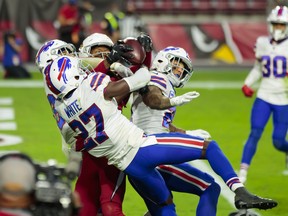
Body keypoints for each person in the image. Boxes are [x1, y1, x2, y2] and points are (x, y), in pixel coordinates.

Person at [45, 54, 277, 215]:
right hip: (142, 149)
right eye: (78, 71)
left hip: (129, 166)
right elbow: (142, 78)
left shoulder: (63, 109)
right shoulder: (95, 85)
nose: (84, 72)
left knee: (166, 207)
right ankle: (240, 191)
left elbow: (72, 138)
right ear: (71, 77)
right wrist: (125, 66)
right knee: (210, 147)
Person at [35, 38, 135, 216]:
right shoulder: (63, 72)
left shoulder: (54, 82)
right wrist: (110, 61)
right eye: (65, 52)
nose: (70, 56)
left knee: (84, 205)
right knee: (109, 205)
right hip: (106, 143)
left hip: (84, 145)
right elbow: (89, 86)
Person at [130, 46, 221, 216]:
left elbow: (161, 124)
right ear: (163, 60)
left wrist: (187, 133)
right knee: (209, 186)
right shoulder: (157, 78)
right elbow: (153, 100)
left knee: (162, 207)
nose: (180, 70)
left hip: (139, 156)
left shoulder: (156, 79)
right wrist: (174, 101)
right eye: (177, 64)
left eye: (182, 68)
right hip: (154, 155)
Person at [238, 5, 288, 184]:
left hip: (283, 99)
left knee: (278, 141)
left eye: (281, 25)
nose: (278, 28)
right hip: (264, 95)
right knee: (255, 132)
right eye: (275, 24)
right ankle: (242, 172)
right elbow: (258, 68)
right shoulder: (262, 42)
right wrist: (248, 83)